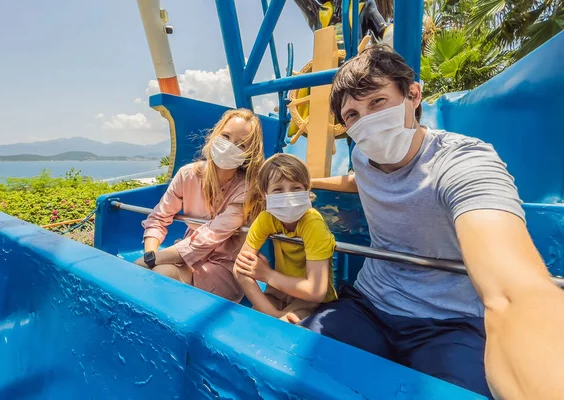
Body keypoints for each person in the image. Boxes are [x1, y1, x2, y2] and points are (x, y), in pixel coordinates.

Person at [302, 44, 564, 399]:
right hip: (370, 302)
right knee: (295, 366)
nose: (366, 122)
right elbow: (354, 178)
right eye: (352, 115)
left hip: (450, 323)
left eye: (377, 103)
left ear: (413, 96)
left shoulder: (462, 162)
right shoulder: (363, 155)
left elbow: (512, 291)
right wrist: (309, 182)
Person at [135, 108, 264, 303]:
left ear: (250, 153)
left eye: (241, 144)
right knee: (155, 276)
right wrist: (150, 253)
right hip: (184, 254)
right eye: (226, 136)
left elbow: (209, 236)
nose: (230, 146)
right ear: (214, 136)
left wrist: (151, 260)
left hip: (223, 265)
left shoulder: (247, 189)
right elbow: (159, 218)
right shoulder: (188, 175)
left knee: (162, 275)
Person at [233, 153, 337, 323]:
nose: (288, 195)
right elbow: (240, 269)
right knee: (250, 323)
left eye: (295, 188)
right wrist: (271, 313)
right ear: (265, 194)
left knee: (285, 327)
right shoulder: (266, 219)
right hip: (277, 293)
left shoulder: (312, 223)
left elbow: (316, 291)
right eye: (278, 190)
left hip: (311, 301)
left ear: (307, 190)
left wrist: (267, 275)